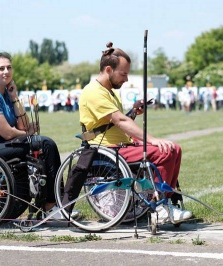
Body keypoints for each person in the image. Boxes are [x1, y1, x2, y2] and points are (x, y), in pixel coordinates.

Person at [78, 42, 192, 223]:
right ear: (108, 70)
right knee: (163, 151)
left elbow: (115, 121)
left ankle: (166, 202)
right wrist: (152, 140)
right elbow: (120, 121)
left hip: (121, 145)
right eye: (123, 74)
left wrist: (133, 113)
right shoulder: (94, 92)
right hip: (108, 149)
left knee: (174, 149)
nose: (126, 79)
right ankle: (159, 206)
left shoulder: (109, 92)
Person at [0, 52, 75, 219]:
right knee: (45, 144)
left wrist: (14, 97)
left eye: (9, 67)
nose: (6, 71)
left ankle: (48, 203)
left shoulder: (5, 92)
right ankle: (51, 206)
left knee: (43, 144)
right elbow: (8, 133)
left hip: (1, 143)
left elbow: (22, 125)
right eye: (0, 68)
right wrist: (27, 133)